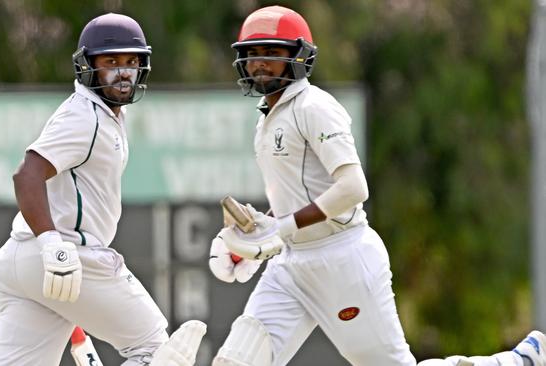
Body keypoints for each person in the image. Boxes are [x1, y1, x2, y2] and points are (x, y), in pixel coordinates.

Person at [207, 5, 546, 366]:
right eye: (253, 54)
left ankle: (513, 362)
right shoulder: (267, 117)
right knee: (236, 361)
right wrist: (258, 231)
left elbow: (353, 187)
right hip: (290, 266)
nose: (261, 63)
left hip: (341, 259)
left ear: (299, 56)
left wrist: (281, 228)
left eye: (272, 52)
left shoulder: (314, 106)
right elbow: (302, 193)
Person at [0, 13, 205, 366]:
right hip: (68, 254)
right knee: (157, 351)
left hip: (21, 261)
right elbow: (26, 174)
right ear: (87, 66)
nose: (123, 71)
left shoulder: (105, 115)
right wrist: (52, 245)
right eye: (111, 62)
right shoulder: (85, 116)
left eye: (131, 62)